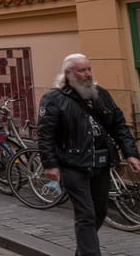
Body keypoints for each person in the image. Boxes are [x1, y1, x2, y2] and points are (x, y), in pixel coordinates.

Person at [38, 53, 140, 256]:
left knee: (100, 211)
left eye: (88, 69)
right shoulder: (54, 99)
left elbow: (118, 124)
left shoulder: (100, 94)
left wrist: (131, 154)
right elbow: (45, 134)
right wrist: (50, 164)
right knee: (86, 214)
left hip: (101, 164)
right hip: (72, 164)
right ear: (68, 73)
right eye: (81, 70)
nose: (87, 74)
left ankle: (83, 251)